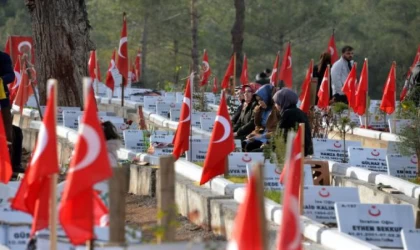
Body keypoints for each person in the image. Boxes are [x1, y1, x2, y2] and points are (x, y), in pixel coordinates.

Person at [273, 88, 313, 156]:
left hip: (293, 153)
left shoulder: (287, 114)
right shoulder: (301, 112)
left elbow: (279, 136)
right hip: (304, 151)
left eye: (277, 102)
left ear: (282, 101)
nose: (275, 105)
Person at [243, 84, 279, 152]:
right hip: (261, 136)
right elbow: (258, 127)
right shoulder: (261, 110)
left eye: (261, 100)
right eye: (258, 100)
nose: (260, 103)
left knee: (251, 147)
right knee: (244, 143)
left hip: (269, 138)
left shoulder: (276, 111)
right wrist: (253, 134)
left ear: (268, 97)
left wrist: (260, 136)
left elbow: (276, 131)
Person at [0, 50, 15, 168]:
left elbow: (11, 75)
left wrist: (1, 80)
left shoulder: (3, 57)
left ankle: (8, 164)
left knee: (6, 132)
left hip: (2, 100)